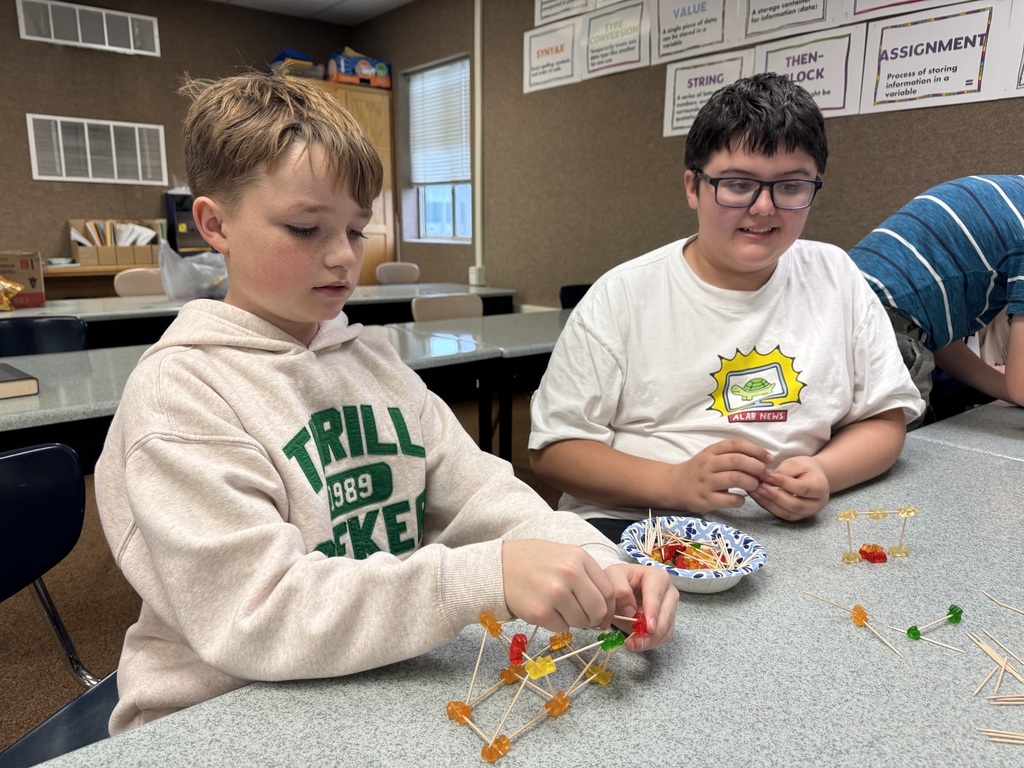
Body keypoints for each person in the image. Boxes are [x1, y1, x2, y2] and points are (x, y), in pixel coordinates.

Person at [94, 72, 677, 735]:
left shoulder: (372, 362)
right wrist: (479, 577)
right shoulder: (181, 396)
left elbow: (486, 496)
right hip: (215, 712)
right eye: (306, 227)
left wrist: (606, 566)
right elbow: (258, 614)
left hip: (369, 679)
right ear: (214, 224)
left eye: (356, 228)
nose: (343, 257)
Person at [528, 73, 924, 540]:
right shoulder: (623, 296)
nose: (763, 208)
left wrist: (825, 474)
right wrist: (674, 483)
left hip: (785, 531)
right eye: (738, 185)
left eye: (791, 186)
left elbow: (884, 419)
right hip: (636, 522)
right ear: (693, 187)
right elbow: (553, 448)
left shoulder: (836, 276)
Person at [848, 175, 1024, 422]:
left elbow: (941, 342)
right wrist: (1015, 386)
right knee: (891, 453)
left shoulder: (1008, 195)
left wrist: (1007, 388)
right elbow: (1021, 383)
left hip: (846, 312)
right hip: (885, 331)